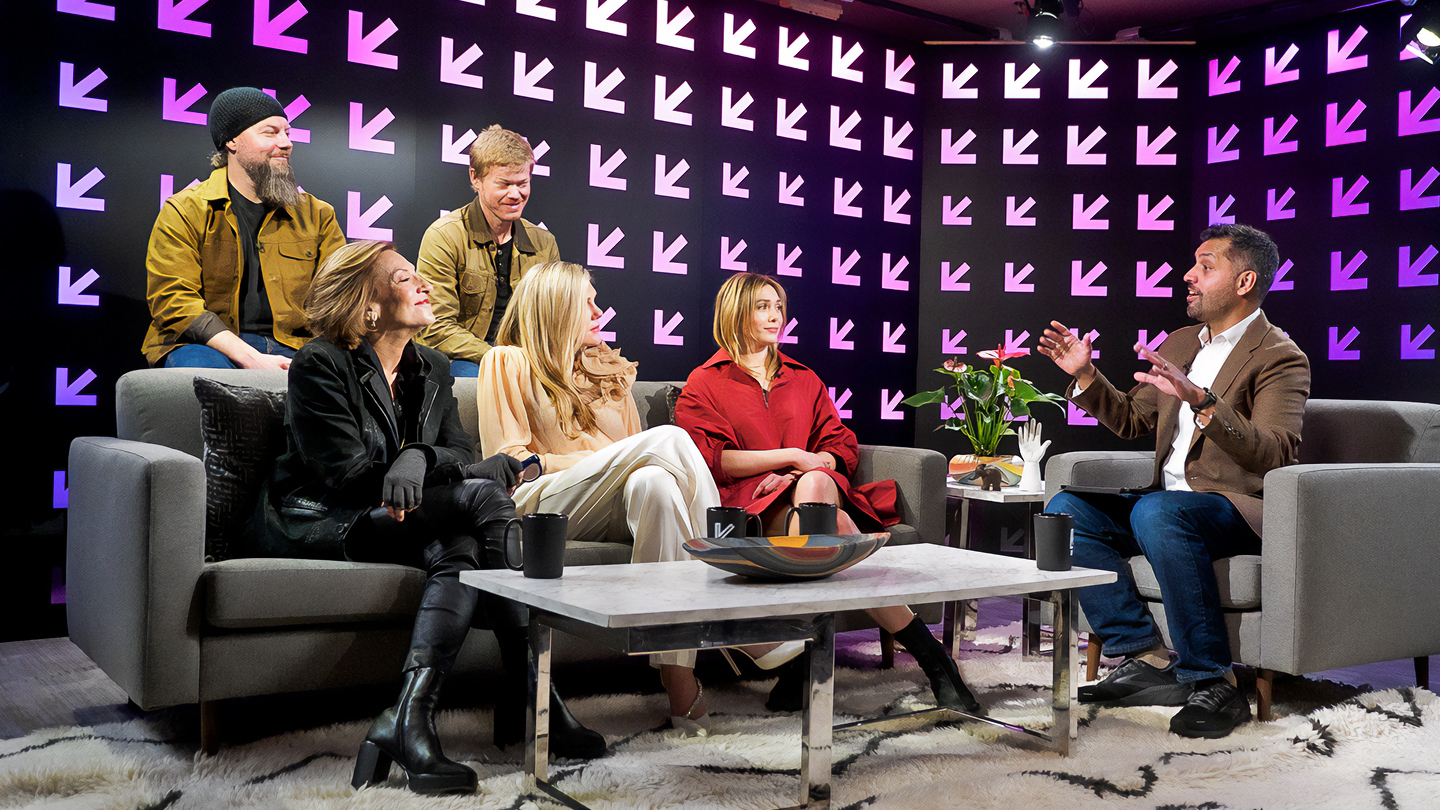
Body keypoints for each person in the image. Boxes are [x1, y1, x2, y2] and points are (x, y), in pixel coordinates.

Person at [248, 241, 605, 796]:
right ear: (368, 304)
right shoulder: (320, 362)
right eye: (403, 278)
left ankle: (408, 717)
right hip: (329, 516)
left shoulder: (433, 367)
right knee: (484, 499)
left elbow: (459, 451)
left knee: (460, 547)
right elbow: (345, 475)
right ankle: (533, 693)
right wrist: (424, 461)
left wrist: (419, 456)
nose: (424, 285)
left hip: (400, 512)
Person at [475, 261, 800, 736]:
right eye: (587, 302)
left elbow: (637, 462)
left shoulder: (610, 371)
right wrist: (600, 459)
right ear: (556, 307)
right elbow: (512, 462)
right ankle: (734, 606)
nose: (598, 311)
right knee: (668, 439)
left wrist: (618, 458)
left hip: (610, 500)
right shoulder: (507, 361)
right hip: (542, 504)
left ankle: (679, 685)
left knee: (656, 485)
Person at [1037, 223, 1310, 739]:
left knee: (1157, 510)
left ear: (1245, 281)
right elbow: (1131, 420)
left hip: (1234, 508)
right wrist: (1086, 376)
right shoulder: (1182, 342)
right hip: (1167, 506)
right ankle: (1145, 655)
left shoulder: (1279, 355)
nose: (1188, 275)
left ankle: (1213, 679)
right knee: (1067, 510)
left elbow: (1275, 452)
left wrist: (1203, 401)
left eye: (1206, 266)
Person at [675, 272, 983, 716]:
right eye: (762, 307)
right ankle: (935, 661)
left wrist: (804, 470)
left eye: (778, 306)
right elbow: (713, 458)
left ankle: (804, 665)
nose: (775, 316)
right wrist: (792, 457)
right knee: (830, 522)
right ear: (735, 312)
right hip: (752, 501)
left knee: (816, 485)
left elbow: (839, 446)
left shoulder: (803, 378)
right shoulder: (706, 381)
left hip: (812, 488)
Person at [143, 86, 345, 369]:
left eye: (287, 133)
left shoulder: (318, 215)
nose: (286, 143)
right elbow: (173, 300)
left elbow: (341, 298)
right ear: (232, 141)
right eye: (270, 132)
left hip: (296, 346)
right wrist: (251, 358)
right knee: (200, 374)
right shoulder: (186, 210)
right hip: (208, 345)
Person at [416, 124, 559, 377]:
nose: (515, 194)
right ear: (476, 178)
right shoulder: (444, 236)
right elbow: (436, 327)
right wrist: (499, 357)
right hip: (462, 359)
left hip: (526, 361)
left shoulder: (544, 243)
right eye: (504, 184)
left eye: (522, 183)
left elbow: (554, 321)